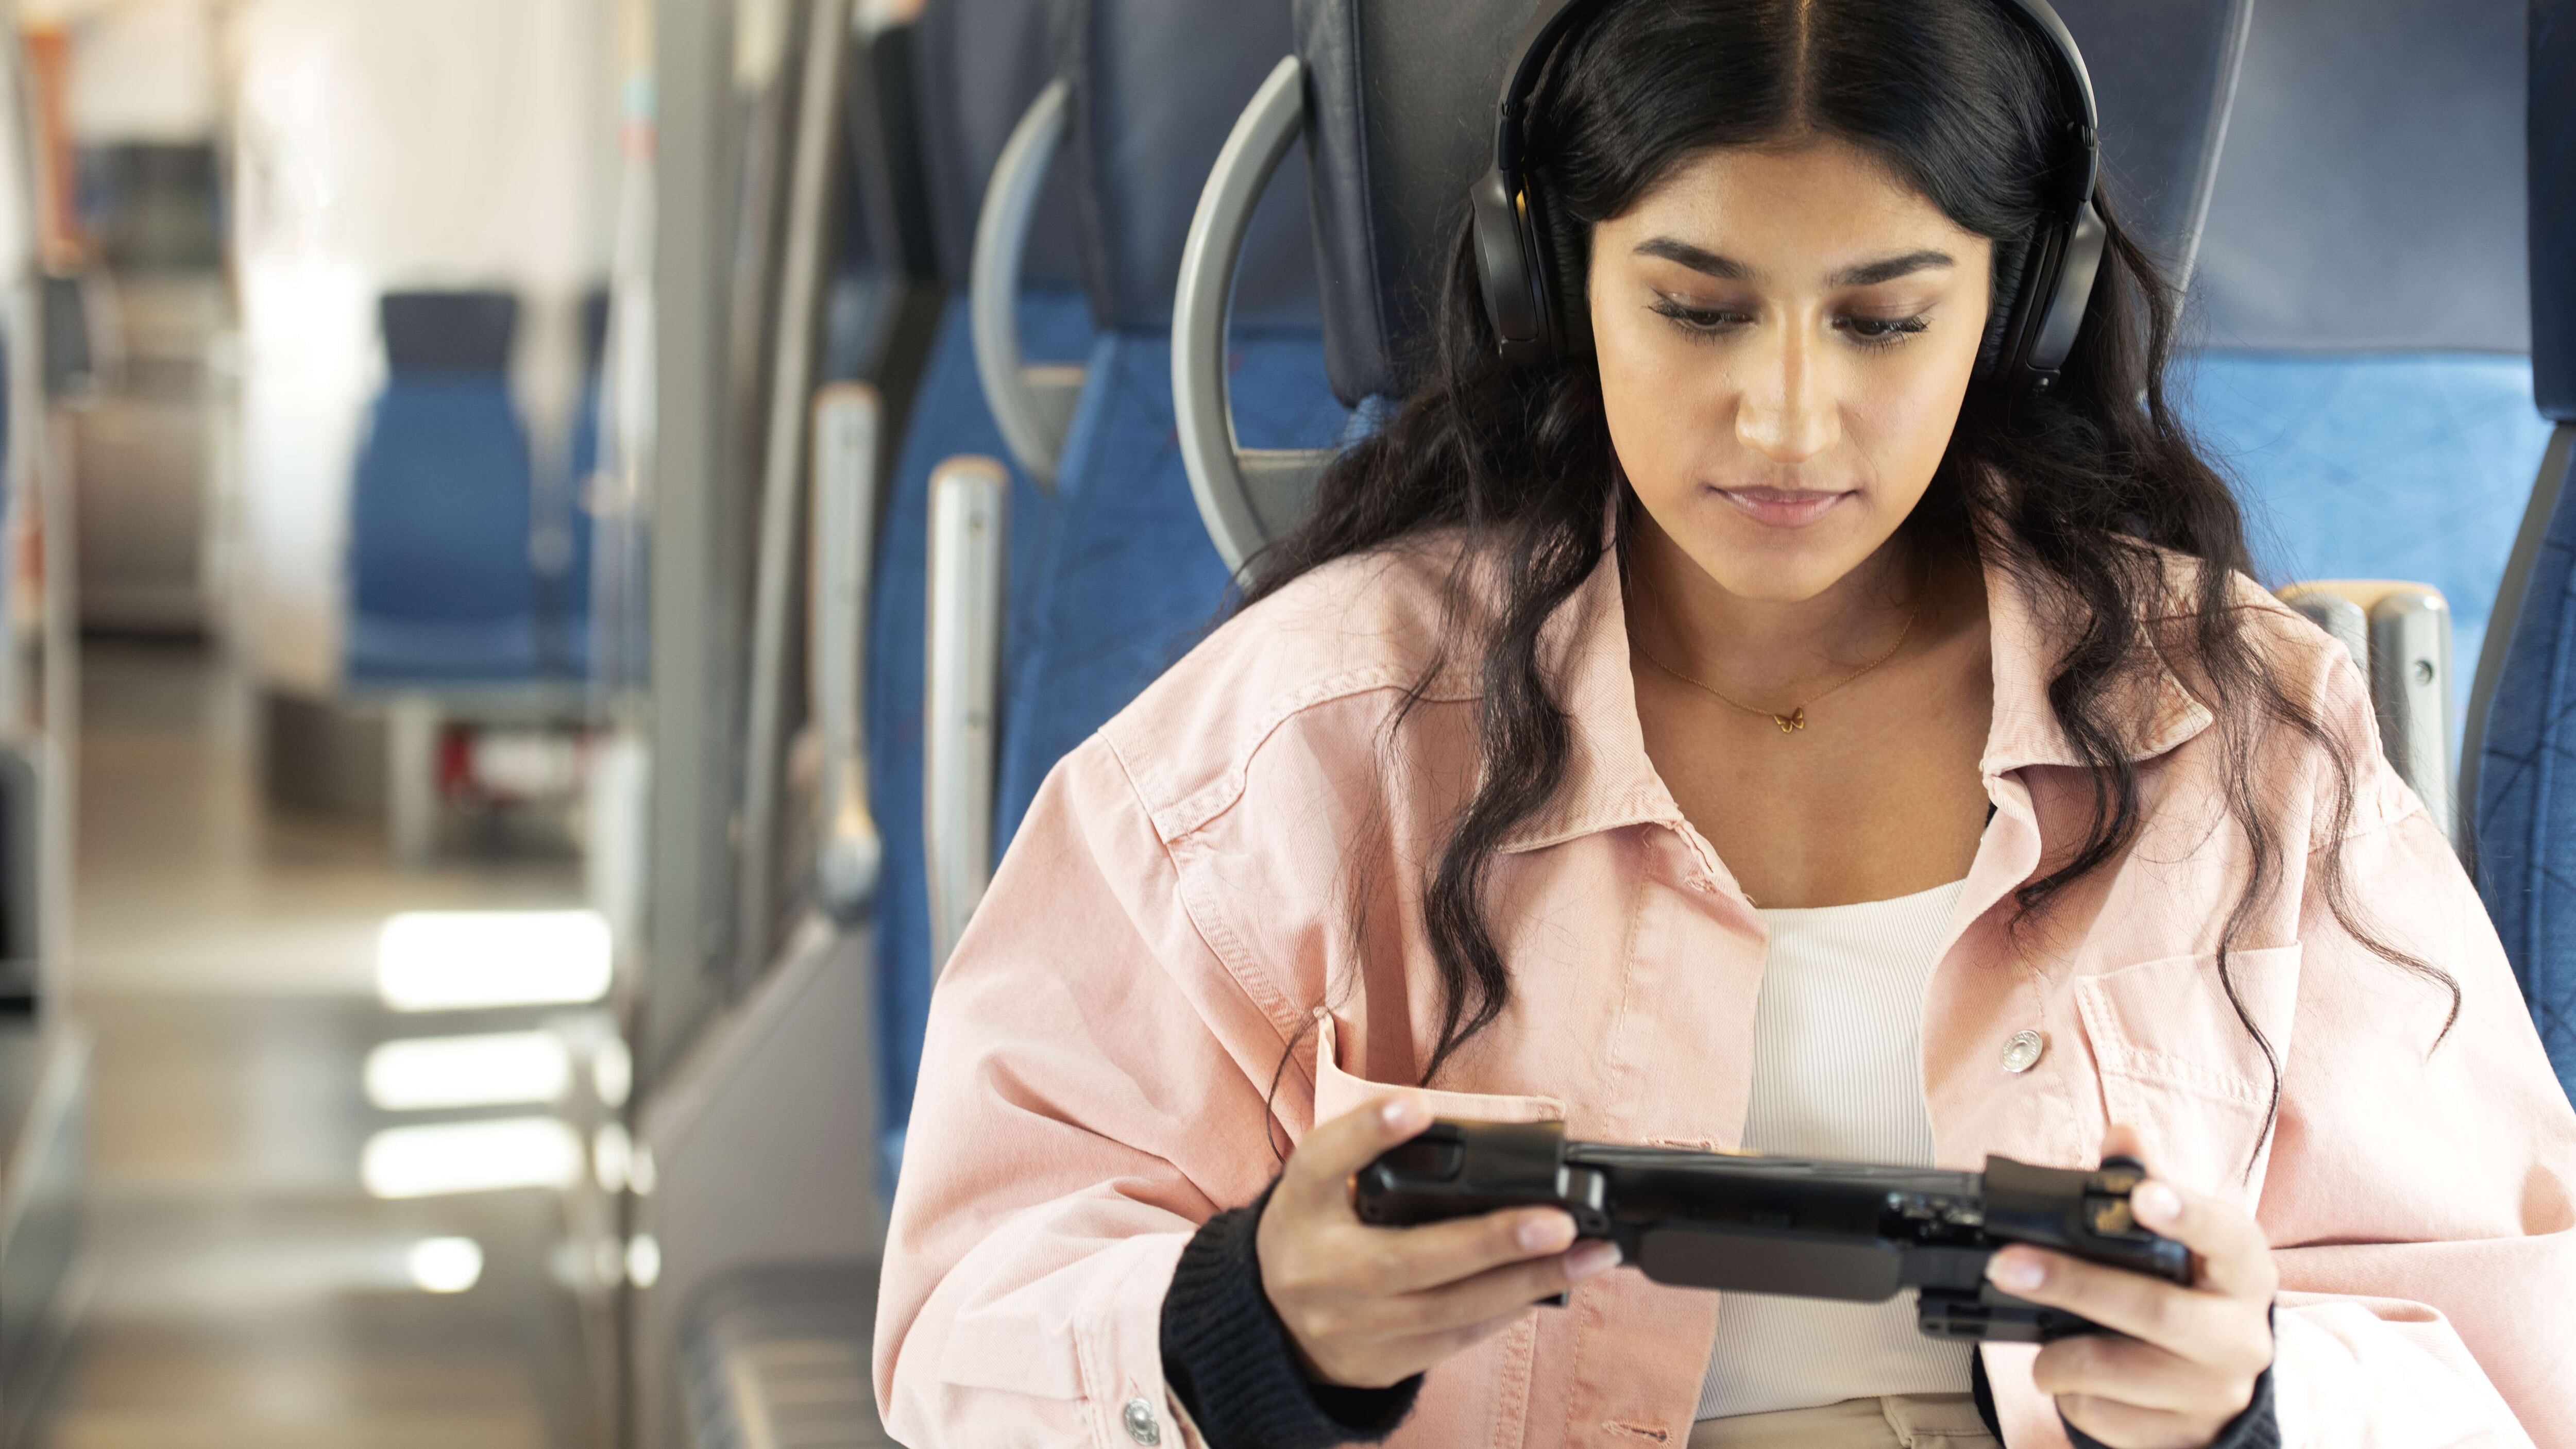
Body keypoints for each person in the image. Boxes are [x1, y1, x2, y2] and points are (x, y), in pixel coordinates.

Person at [873, 0, 2576, 1445]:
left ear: (2020, 307)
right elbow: (965, 1330)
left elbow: (2515, 1364)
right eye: (1694, 309)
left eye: (1885, 319)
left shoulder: (2235, 728)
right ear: (1552, 280)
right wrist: (1248, 1322)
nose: (1784, 413)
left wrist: (2257, 1395)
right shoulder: (1301, 741)